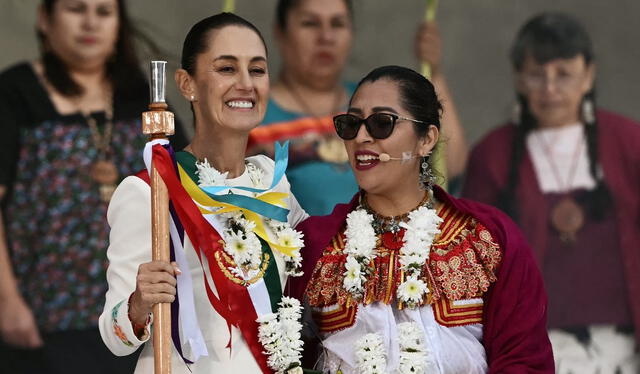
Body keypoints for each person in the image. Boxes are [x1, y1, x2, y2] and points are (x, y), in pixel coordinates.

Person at [289, 65, 554, 373]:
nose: (361, 137)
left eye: (381, 123)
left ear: (427, 139)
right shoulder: (314, 244)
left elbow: (523, 359)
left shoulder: (488, 237)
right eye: (351, 124)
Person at [99, 13, 308, 373]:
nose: (245, 83)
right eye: (226, 69)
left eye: (257, 70)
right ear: (186, 84)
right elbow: (112, 336)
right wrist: (138, 304)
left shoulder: (273, 183)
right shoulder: (150, 190)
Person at [0, 0, 187, 373]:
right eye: (75, 9)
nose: (90, 23)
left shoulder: (143, 97)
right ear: (45, 18)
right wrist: (6, 301)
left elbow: (183, 189)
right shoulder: (14, 92)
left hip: (136, 310)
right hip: (44, 314)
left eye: (104, 12)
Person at [462, 12, 640, 373]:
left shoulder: (628, 142)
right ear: (518, 78)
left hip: (625, 344)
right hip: (532, 345)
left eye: (564, 75)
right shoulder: (492, 155)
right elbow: (474, 262)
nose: (550, 89)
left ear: (589, 75)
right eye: (536, 75)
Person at [248, 0, 467, 216]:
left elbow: (451, 168)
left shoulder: (377, 102)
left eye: (338, 24)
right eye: (310, 23)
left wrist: (434, 72)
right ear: (280, 32)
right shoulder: (251, 113)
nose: (326, 37)